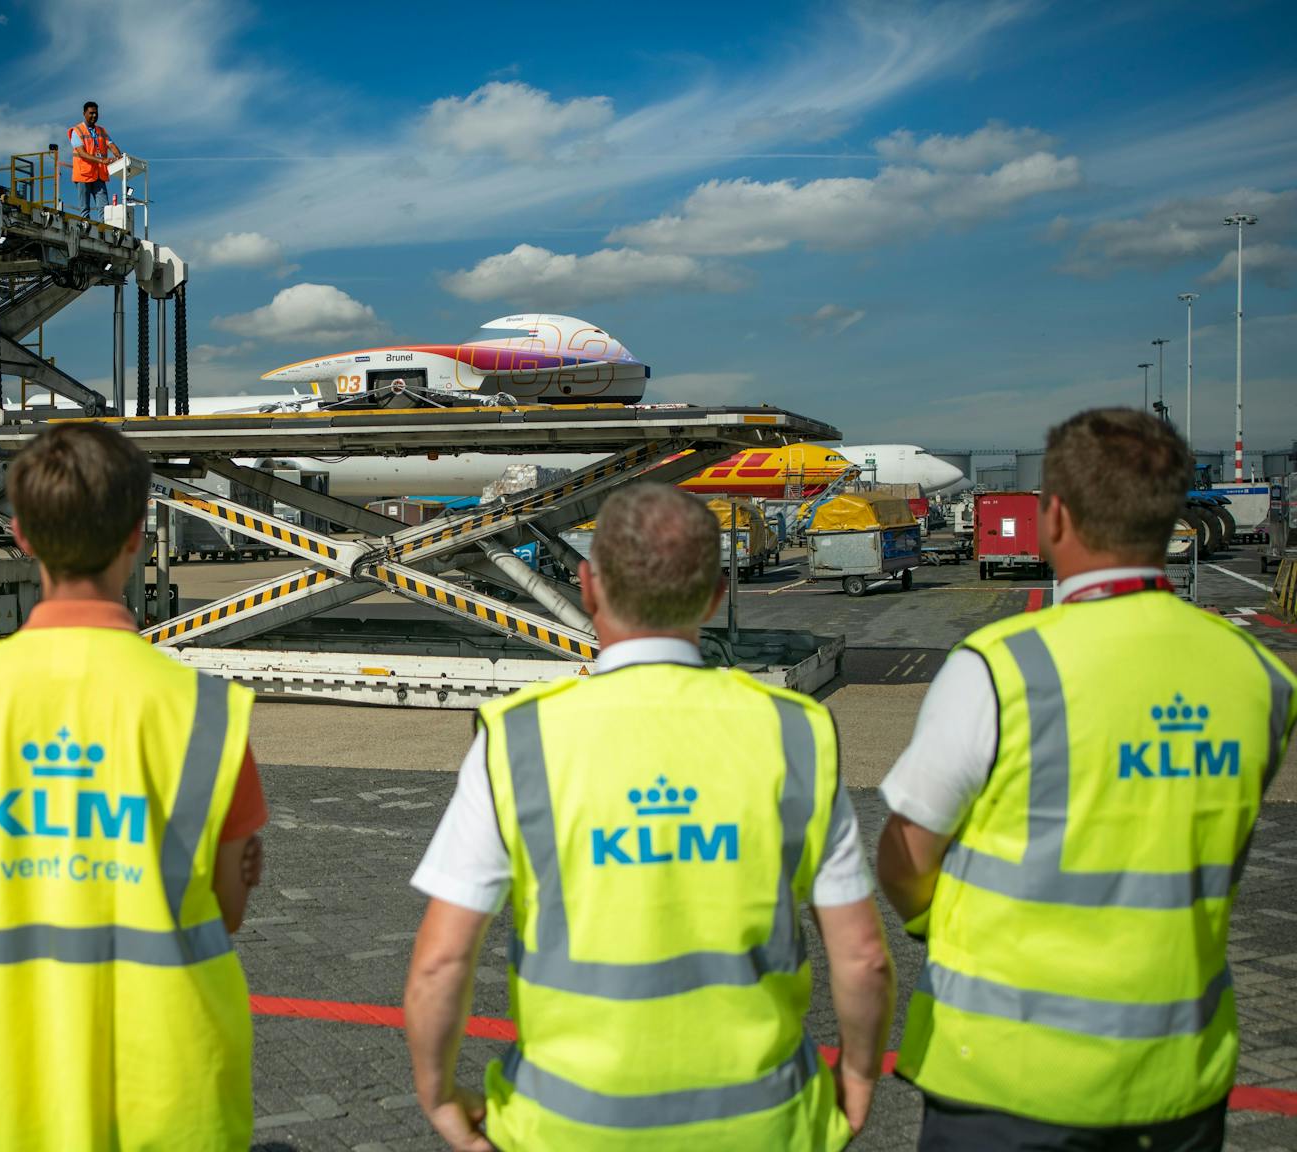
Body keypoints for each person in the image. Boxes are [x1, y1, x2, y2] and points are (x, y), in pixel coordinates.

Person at [404, 482, 895, 1152]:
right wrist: (861, 1072)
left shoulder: (522, 738)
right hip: (762, 1122)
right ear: (716, 594)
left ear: (588, 586)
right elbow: (863, 957)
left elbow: (440, 964)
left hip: (566, 1125)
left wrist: (438, 1094)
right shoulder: (793, 733)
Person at [878, 408, 1292, 1151]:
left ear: (1055, 516)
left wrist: (944, 925)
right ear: (1172, 516)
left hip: (1004, 1080)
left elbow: (906, 857)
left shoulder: (1001, 669)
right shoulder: (1261, 677)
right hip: (1178, 1076)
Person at [0, 422, 267, 1149]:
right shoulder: (204, 713)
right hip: (169, 1094)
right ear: (136, 533)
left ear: (22, 535)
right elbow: (225, 910)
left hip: (2, 1095)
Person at [68, 100, 120, 217]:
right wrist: (102, 161)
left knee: (104, 207)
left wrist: (120, 157)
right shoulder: (77, 131)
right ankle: (85, 229)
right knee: (84, 207)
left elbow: (111, 145)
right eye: (91, 113)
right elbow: (82, 153)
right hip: (83, 174)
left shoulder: (101, 131)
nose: (94, 115)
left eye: (96, 113)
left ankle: (103, 232)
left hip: (98, 175)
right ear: (84, 113)